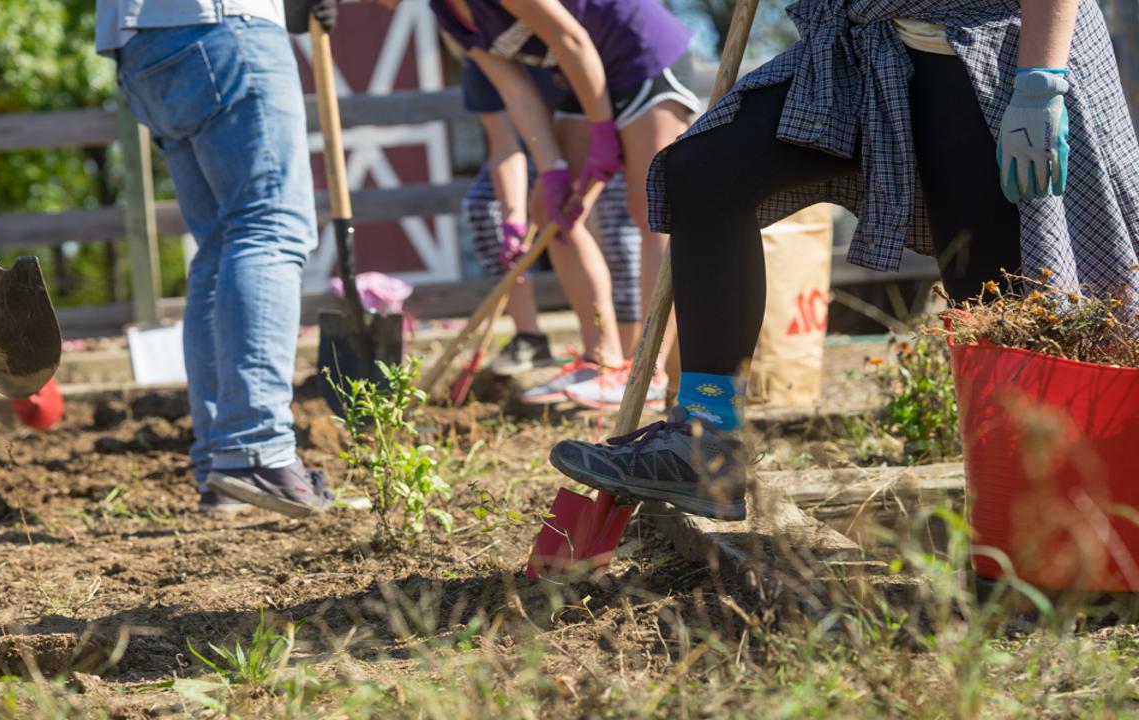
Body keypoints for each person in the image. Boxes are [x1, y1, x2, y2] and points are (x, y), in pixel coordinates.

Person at [550, 0, 1139, 520]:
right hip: (866, 46)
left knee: (997, 304)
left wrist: (1040, 82)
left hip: (1005, 53)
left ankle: (1048, 525)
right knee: (704, 171)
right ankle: (703, 442)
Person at [95, 0, 339, 516]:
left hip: (140, 43)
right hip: (223, 24)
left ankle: (220, 461)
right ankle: (255, 448)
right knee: (268, 227)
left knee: (221, 246)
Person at [426, 0, 701, 410]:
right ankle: (602, 358)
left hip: (641, 57)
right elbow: (515, 91)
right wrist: (553, 169)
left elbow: (571, 38)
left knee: (653, 213)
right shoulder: (447, 12)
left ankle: (650, 373)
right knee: (550, 211)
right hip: (584, 81)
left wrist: (602, 132)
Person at [458, 59, 645, 395]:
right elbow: (505, 145)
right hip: (537, 146)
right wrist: (514, 219)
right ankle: (530, 337)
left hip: (603, 126)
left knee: (621, 225)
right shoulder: (479, 61)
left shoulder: (547, 38)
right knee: (485, 207)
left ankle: (631, 357)